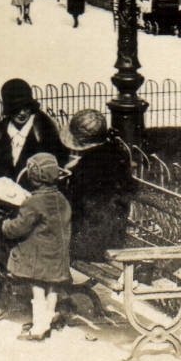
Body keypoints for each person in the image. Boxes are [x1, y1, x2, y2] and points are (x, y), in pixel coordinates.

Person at [2, 153, 74, 342]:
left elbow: (19, 227)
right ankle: (48, 318)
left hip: (40, 255)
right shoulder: (62, 199)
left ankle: (39, 327)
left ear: (33, 177)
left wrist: (5, 224)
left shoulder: (34, 202)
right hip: (58, 254)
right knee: (53, 285)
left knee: (37, 285)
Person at [59, 109, 135, 261]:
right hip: (113, 232)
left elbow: (75, 202)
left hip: (91, 240)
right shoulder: (115, 151)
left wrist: (63, 181)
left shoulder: (87, 168)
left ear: (81, 142)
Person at [0, 79, 67, 178]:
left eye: (26, 107)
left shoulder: (46, 131)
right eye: (16, 108)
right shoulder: (2, 133)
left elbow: (58, 166)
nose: (22, 113)